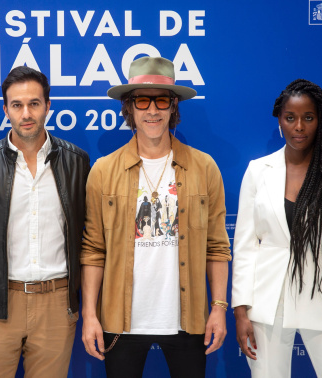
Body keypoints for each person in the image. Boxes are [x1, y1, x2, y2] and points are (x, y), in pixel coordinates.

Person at [80, 56, 231, 378]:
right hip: (121, 319)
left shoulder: (204, 168)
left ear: (173, 106)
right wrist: (90, 315)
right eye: (142, 100)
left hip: (187, 321)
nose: (152, 110)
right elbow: (93, 251)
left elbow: (217, 247)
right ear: (129, 107)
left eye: (161, 100)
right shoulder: (103, 171)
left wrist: (219, 308)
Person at [0, 66, 90, 377]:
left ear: (48, 105)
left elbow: (91, 239)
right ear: (5, 109)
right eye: (17, 105)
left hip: (57, 303)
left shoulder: (77, 161)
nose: (26, 113)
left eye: (34, 103)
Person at [232, 79, 322, 377]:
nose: (299, 127)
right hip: (267, 301)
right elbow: (244, 247)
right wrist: (241, 310)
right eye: (290, 118)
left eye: (308, 117)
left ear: (320, 120)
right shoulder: (257, 171)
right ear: (279, 120)